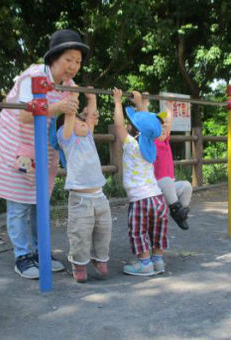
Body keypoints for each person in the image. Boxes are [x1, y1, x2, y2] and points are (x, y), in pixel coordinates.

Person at [0, 29, 90, 279]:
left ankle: (41, 251)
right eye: (69, 60)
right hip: (16, 147)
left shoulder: (69, 86)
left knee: (39, 203)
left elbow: (67, 117)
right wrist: (58, 107)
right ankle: (23, 255)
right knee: (19, 203)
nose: (74, 66)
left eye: (78, 61)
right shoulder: (32, 76)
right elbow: (24, 114)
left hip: (43, 150)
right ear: (54, 58)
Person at [55, 91, 112, 283]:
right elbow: (69, 119)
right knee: (80, 233)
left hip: (99, 196)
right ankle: (79, 264)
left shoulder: (88, 137)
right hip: (80, 199)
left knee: (104, 230)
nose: (85, 124)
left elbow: (90, 117)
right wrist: (71, 100)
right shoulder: (67, 139)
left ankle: (100, 259)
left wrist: (92, 98)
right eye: (80, 122)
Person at [112, 88, 169, 276]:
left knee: (139, 231)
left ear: (134, 131)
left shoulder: (131, 145)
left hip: (140, 200)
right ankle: (158, 261)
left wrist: (118, 102)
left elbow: (119, 126)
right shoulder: (151, 144)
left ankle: (145, 263)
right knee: (158, 229)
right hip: (158, 198)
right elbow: (149, 124)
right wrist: (140, 105)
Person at [131, 92, 192, 230]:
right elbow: (145, 122)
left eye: (165, 128)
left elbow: (168, 123)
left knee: (187, 186)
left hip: (169, 186)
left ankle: (180, 213)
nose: (164, 129)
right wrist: (144, 101)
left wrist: (169, 106)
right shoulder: (150, 142)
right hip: (155, 184)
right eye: (160, 128)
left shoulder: (166, 142)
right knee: (166, 180)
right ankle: (176, 209)